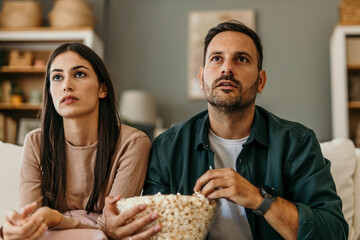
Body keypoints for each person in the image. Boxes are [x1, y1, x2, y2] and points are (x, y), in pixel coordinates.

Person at [143, 20, 348, 239]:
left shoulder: (297, 143)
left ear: (261, 81)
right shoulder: (167, 147)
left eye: (241, 59)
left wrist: (258, 198)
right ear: (202, 79)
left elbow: (333, 232)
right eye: (216, 58)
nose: (227, 68)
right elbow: (151, 228)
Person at [0, 42, 161, 240]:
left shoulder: (133, 143)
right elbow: (31, 220)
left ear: (102, 89)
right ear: (50, 93)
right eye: (57, 77)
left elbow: (112, 226)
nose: (66, 85)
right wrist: (16, 228)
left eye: (79, 74)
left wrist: (54, 218)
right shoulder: (36, 143)